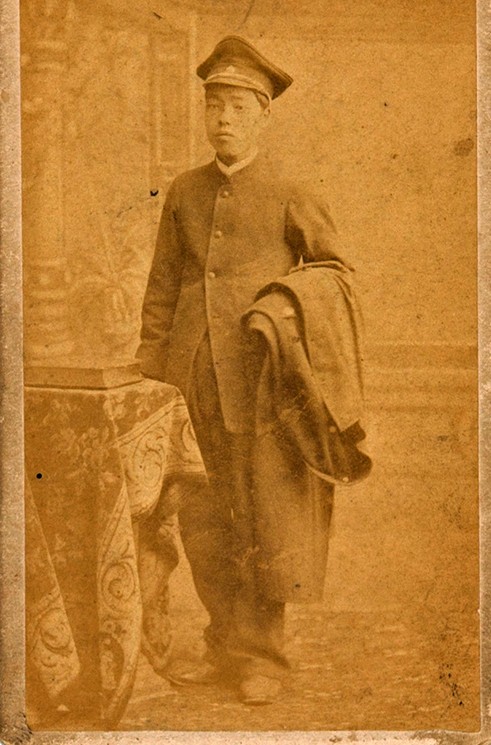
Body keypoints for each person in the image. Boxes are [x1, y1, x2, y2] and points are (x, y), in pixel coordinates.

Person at [136, 36, 370, 705]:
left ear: (264, 114)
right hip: (191, 380)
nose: (224, 119)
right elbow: (162, 286)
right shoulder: (185, 190)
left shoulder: (292, 189)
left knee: (263, 519)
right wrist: (152, 373)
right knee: (204, 522)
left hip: (264, 384)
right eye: (214, 106)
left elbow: (334, 274)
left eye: (238, 107)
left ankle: (261, 655)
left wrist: (279, 304)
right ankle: (223, 645)